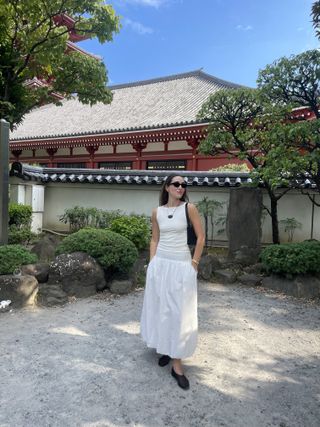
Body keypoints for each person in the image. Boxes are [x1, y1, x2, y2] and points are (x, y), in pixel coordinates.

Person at [140, 174, 205, 390]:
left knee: (179, 312)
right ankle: (166, 348)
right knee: (163, 309)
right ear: (167, 187)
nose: (181, 187)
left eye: (183, 184)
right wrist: (152, 263)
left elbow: (201, 237)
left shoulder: (190, 208)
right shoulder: (156, 212)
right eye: (176, 184)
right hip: (161, 265)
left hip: (181, 266)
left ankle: (177, 363)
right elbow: (155, 239)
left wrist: (194, 263)